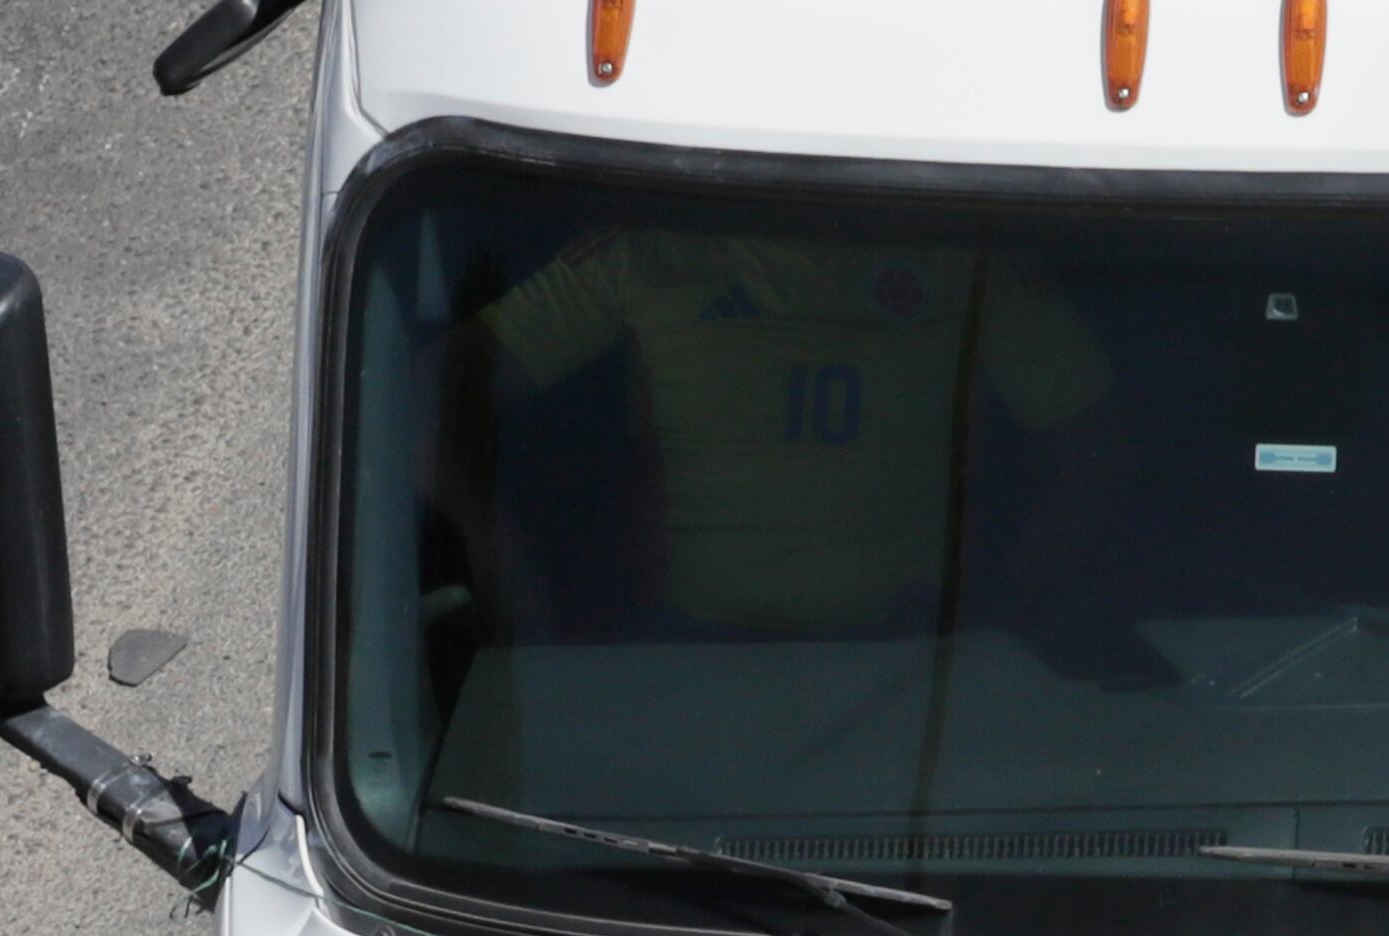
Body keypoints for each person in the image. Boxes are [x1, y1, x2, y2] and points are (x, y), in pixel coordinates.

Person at [446, 230, 1119, 635]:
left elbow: (1099, 453)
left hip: (911, 660)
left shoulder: (959, 251)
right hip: (681, 650)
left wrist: (1015, 606)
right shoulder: (648, 246)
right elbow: (425, 391)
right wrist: (502, 572)